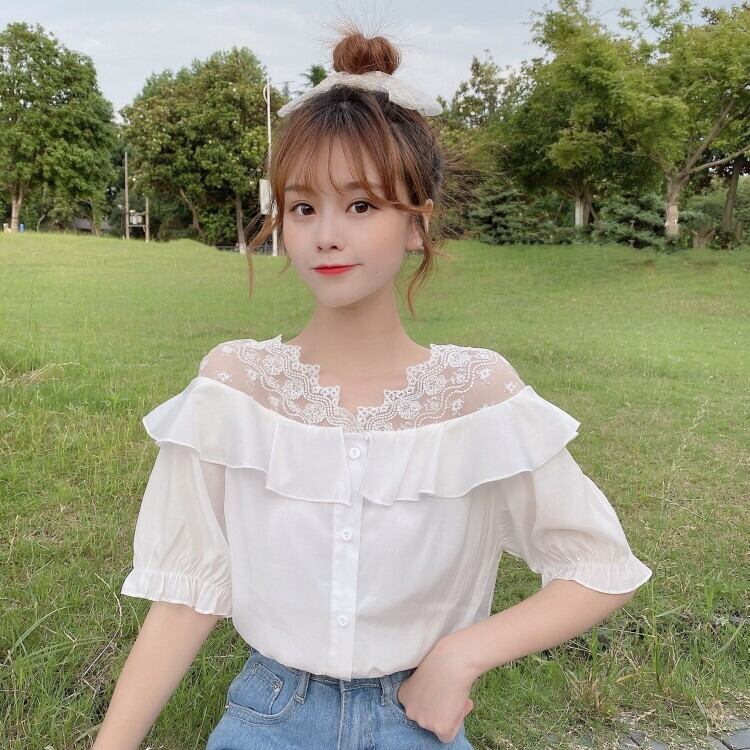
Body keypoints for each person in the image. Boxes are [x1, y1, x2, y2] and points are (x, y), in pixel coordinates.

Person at [94, 21, 653, 750]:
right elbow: (183, 598)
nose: (326, 234)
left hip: (416, 720)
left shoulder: (477, 396)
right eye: (304, 207)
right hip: (268, 719)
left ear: (418, 225)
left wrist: (461, 656)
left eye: (361, 206)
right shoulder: (235, 388)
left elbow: (599, 567)